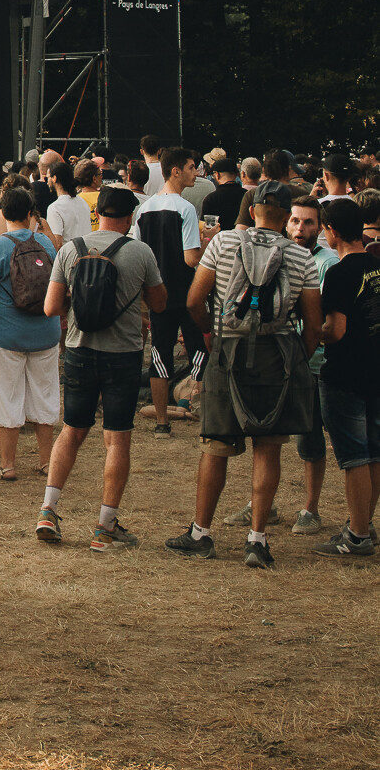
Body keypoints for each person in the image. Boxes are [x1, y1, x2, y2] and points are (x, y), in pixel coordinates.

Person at [166, 180, 320, 567]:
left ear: (252, 211)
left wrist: (214, 337)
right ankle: (257, 540)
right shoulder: (301, 258)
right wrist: (297, 356)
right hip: (278, 355)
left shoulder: (222, 244)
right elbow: (314, 325)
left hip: (228, 350)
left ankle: (201, 533)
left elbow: (193, 301)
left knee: (215, 446)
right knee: (268, 447)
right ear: (286, 218)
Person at [37, 185, 165, 552]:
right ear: (131, 217)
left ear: (98, 214)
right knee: (117, 438)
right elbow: (159, 301)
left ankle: (48, 510)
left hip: (79, 350)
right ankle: (105, 527)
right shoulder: (139, 252)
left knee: (72, 431)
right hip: (122, 354)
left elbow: (50, 308)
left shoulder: (70, 249)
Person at [310, 198, 380, 556]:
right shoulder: (376, 264)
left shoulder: (340, 272)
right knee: (373, 452)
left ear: (332, 231)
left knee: (354, 456)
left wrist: (310, 332)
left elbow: (336, 330)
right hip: (374, 366)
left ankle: (356, 536)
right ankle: (364, 524)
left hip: (346, 372)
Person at [0, 187, 61, 482]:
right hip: (46, 330)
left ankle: (7, 464)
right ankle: (47, 461)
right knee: (45, 394)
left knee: (6, 395)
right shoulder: (46, 244)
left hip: (6, 334)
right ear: (30, 214)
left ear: (1, 212)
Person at [131, 147, 206, 437]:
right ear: (175, 170)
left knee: (159, 355)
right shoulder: (185, 209)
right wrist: (207, 250)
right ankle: (203, 414)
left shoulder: (145, 209)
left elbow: (139, 251)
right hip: (186, 291)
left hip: (157, 292)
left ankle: (162, 421)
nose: (195, 173)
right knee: (199, 350)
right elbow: (191, 258)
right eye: (191, 167)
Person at [284, 195, 339, 536]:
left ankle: (310, 508)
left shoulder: (327, 264)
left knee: (310, 438)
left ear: (320, 227)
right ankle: (263, 504)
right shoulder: (280, 254)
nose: (300, 228)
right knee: (269, 434)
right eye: (295, 221)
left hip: (314, 364)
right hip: (280, 360)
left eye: (308, 222)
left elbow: (322, 321)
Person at [200, 158, 246, 232]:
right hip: (245, 241)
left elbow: (207, 229)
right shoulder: (246, 195)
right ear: (237, 174)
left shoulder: (211, 199)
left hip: (219, 242)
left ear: (217, 174)